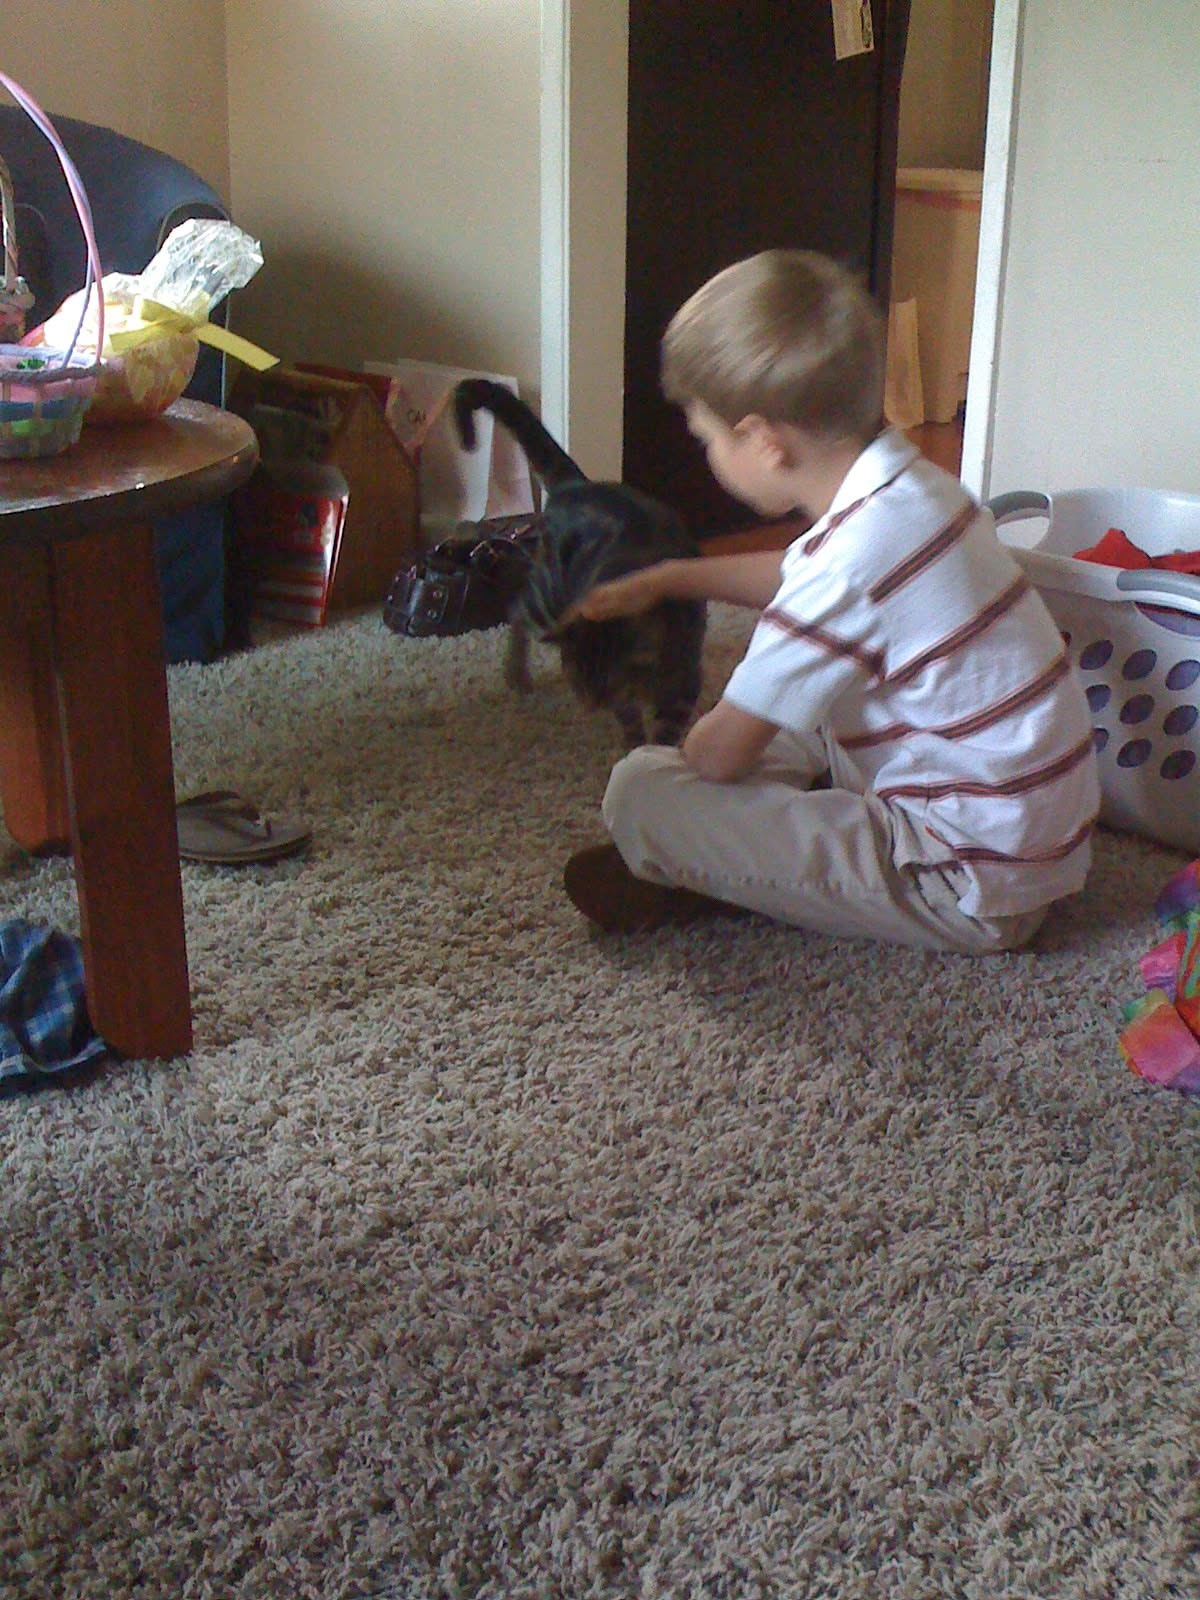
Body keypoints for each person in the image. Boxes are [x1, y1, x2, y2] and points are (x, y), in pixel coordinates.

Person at [561, 248, 1100, 951]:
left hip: (965, 884)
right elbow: (798, 577)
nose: (708, 454)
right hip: (1026, 838)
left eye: (707, 438)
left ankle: (713, 865)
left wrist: (704, 748)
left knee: (641, 790)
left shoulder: (845, 565)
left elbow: (717, 756)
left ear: (762, 440)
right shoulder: (915, 489)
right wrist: (668, 578)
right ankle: (755, 850)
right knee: (809, 706)